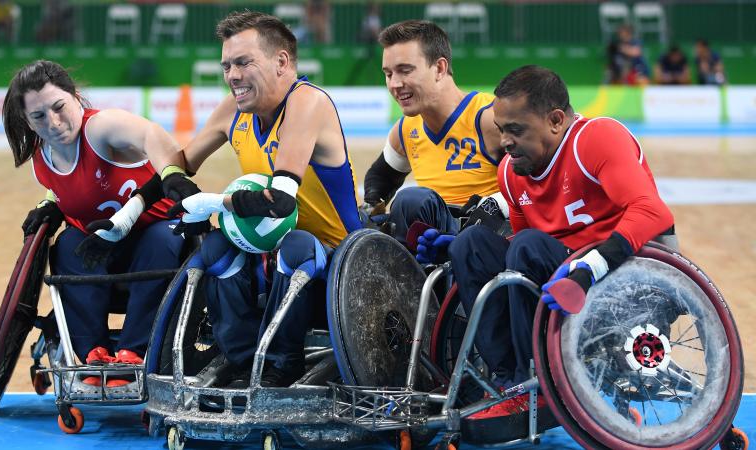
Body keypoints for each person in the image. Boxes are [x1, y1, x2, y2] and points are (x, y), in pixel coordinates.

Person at [425, 65, 674, 415]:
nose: (505, 141)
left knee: (528, 244)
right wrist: (454, 242)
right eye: (501, 130)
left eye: (516, 130)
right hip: (553, 276)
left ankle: (538, 381)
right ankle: (508, 380)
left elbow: (654, 213)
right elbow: (514, 254)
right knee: (471, 245)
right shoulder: (511, 173)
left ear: (556, 120)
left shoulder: (597, 138)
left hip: (612, 276)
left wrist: (592, 266)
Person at [166, 11, 361, 389]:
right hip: (273, 258)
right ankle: (241, 364)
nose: (232, 76)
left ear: (282, 62)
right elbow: (182, 161)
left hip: (340, 263)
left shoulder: (308, 103)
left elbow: (280, 203)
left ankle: (279, 366)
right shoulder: (232, 110)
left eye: (243, 62)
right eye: (226, 66)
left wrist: (211, 203)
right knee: (217, 248)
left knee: (296, 243)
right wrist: (172, 182)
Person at [2, 60, 188, 387]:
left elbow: (153, 135)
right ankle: (92, 352)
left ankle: (134, 351)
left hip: (159, 237)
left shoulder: (100, 127)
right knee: (69, 245)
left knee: (159, 239)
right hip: (104, 249)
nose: (54, 122)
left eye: (59, 107)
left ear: (75, 97)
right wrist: (50, 204)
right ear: (27, 122)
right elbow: (70, 186)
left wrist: (171, 174)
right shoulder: (40, 160)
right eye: (39, 116)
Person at [362, 20, 506, 257]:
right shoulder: (406, 130)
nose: (395, 84)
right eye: (388, 74)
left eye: (405, 70)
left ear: (439, 68)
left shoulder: (490, 118)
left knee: (411, 200)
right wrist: (368, 209)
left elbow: (533, 186)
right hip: (430, 243)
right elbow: (381, 177)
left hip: (485, 243)